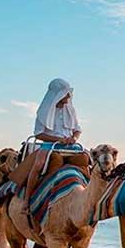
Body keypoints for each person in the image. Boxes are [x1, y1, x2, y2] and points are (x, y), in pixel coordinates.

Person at [23, 78, 83, 214]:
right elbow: (38, 134)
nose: (69, 96)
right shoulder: (43, 112)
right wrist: (58, 139)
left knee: (88, 160)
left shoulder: (70, 110)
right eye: (66, 93)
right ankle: (26, 201)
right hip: (50, 146)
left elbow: (77, 129)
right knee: (38, 165)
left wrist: (74, 138)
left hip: (70, 147)